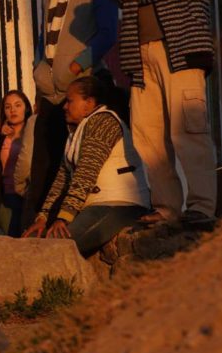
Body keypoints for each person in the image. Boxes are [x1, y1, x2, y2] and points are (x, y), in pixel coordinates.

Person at [101, 0, 217, 229]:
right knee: (149, 136)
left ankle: (201, 207)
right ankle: (167, 207)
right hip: (141, 55)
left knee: (188, 131)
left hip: (181, 51)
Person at [24, 0, 118, 230]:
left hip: (83, 92)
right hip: (51, 93)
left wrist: (78, 65)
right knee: (43, 165)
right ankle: (33, 227)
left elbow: (107, 33)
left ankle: (68, 225)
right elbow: (44, 38)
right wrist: (39, 73)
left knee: (79, 164)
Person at [23, 76, 150, 256]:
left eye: (70, 101)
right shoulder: (76, 130)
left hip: (120, 205)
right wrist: (43, 217)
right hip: (95, 206)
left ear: (88, 103)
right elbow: (62, 178)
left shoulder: (103, 122)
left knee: (58, 246)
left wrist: (63, 218)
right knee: (34, 239)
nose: (64, 106)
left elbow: (85, 174)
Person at [0, 90, 32, 237]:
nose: (13, 110)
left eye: (17, 105)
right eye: (8, 107)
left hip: (26, 196)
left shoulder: (32, 133)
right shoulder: (1, 136)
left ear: (26, 108)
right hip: (6, 196)